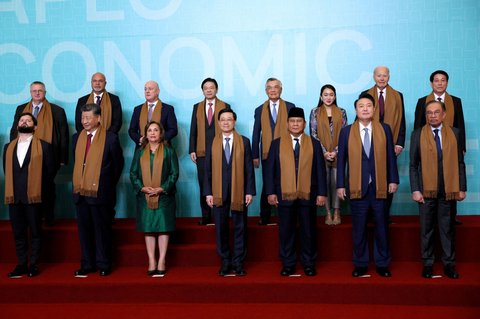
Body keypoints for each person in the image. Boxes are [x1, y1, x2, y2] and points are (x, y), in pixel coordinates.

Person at [336, 93, 399, 278]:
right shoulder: (346, 131)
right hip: (357, 187)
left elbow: (390, 157)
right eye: (361, 106)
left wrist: (393, 179)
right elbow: (341, 161)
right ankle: (361, 264)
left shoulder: (384, 129)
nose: (365, 109)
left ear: (374, 109)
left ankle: (382, 263)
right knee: (359, 229)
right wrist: (340, 184)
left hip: (380, 187)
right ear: (356, 110)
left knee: (381, 227)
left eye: (368, 106)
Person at [265, 107, 327, 277]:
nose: (295, 124)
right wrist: (270, 192)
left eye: (298, 121)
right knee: (286, 231)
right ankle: (288, 263)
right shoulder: (276, 143)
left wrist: (322, 193)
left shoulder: (314, 143)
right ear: (287, 124)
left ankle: (309, 263)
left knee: (308, 231)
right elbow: (270, 170)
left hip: (309, 194)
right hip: (284, 194)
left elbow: (320, 170)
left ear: (304, 124)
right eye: (292, 121)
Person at [409, 100, 466, 279]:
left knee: (447, 229)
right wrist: (416, 189)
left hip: (448, 190)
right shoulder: (417, 134)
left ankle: (449, 265)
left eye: (436, 112)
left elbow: (460, 163)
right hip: (426, 191)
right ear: (426, 115)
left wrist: (461, 187)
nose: (432, 115)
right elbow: (413, 165)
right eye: (429, 113)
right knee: (427, 229)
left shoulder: (455, 133)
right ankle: (427, 263)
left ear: (443, 114)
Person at [72, 103, 124, 277]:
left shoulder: (110, 138)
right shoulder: (76, 138)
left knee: (102, 230)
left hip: (101, 194)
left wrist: (105, 184)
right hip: (80, 193)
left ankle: (103, 263)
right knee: (84, 231)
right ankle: (87, 263)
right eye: (82, 118)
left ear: (98, 118)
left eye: (88, 118)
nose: (84, 121)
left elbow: (118, 165)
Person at [204, 109, 256, 276]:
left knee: (240, 227)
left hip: (239, 192)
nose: (226, 122)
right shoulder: (212, 143)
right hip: (218, 193)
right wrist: (208, 193)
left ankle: (239, 262)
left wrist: (249, 191)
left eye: (229, 119)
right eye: (223, 120)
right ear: (219, 123)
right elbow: (207, 171)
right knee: (221, 228)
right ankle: (225, 262)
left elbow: (249, 169)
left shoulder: (244, 142)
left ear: (234, 122)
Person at [9, 81, 68, 225]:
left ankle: (48, 218)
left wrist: (62, 158)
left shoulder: (57, 110)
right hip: (25, 155)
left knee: (47, 187)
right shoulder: (21, 109)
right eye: (34, 91)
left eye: (40, 90)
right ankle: (30, 220)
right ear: (30, 93)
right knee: (26, 187)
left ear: (45, 92)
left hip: (50, 156)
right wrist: (12, 151)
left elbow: (63, 135)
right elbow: (14, 131)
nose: (37, 93)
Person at [3, 113, 54, 278]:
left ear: (35, 126)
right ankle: (22, 264)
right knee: (18, 233)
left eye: (28, 120)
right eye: (22, 120)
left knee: (36, 231)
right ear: (17, 125)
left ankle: (34, 264)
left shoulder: (45, 147)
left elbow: (50, 172)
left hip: (34, 197)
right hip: (15, 197)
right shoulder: (8, 147)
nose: (24, 122)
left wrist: (38, 191)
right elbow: (7, 170)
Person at [414, 70, 466, 225]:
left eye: (443, 80)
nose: (439, 83)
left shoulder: (455, 101)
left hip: (450, 146)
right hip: (427, 147)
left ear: (447, 83)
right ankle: (429, 216)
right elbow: (418, 125)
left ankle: (451, 215)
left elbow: (459, 125)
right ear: (431, 83)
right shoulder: (422, 101)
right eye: (436, 80)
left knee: (452, 177)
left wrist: (461, 146)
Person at [130, 121, 179, 277]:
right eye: (149, 130)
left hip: (164, 196)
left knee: (163, 228)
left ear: (161, 133)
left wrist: (162, 188)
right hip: (144, 196)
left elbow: (174, 173)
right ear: (146, 134)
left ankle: (162, 260)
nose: (152, 133)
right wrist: (142, 188)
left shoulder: (169, 151)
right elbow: (133, 173)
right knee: (149, 228)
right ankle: (151, 260)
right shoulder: (140, 151)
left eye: (156, 130)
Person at [76, 72, 123, 221]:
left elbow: (117, 122)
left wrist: (103, 139)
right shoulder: (82, 100)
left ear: (105, 83)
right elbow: (79, 124)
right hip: (87, 144)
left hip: (106, 146)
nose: (97, 83)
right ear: (91, 83)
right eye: (94, 81)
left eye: (100, 81)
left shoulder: (114, 100)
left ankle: (109, 214)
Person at [363, 66, 405, 220]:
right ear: (374, 76)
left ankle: (385, 214)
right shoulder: (365, 94)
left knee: (388, 178)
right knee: (369, 177)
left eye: (385, 76)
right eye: (379, 75)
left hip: (390, 143)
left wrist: (399, 143)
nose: (382, 78)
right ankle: (369, 214)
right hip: (368, 142)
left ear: (389, 77)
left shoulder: (398, 96)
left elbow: (402, 121)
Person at [252, 78, 295, 225]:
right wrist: (254, 155)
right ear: (266, 91)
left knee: (286, 182)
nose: (273, 90)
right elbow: (256, 133)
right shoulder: (259, 109)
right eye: (269, 87)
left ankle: (285, 215)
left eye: (276, 87)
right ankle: (264, 216)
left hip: (287, 152)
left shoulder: (290, 107)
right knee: (268, 183)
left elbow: (295, 129)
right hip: (267, 153)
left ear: (281, 90)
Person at [189, 78, 230, 225]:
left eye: (211, 87)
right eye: (206, 88)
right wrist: (192, 149)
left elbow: (229, 127)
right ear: (203, 91)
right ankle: (206, 216)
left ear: (216, 90)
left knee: (221, 182)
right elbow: (193, 130)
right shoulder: (197, 107)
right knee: (204, 183)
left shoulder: (225, 105)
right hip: (202, 152)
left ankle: (221, 215)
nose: (209, 90)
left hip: (221, 150)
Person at [309, 84, 348, 225]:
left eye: (331, 94)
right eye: (325, 95)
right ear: (321, 97)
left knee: (337, 181)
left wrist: (336, 151)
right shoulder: (315, 112)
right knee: (323, 181)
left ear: (335, 96)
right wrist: (324, 152)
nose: (328, 97)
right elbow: (313, 134)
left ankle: (337, 211)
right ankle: (328, 212)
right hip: (321, 154)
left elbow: (344, 134)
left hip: (339, 153)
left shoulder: (342, 112)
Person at [129, 80, 178, 146]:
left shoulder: (168, 109)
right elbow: (132, 130)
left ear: (158, 91)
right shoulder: (138, 109)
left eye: (150, 89)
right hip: (142, 147)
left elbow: (173, 130)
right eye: (145, 89)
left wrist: (159, 139)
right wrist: (140, 139)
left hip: (163, 146)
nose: (147, 91)